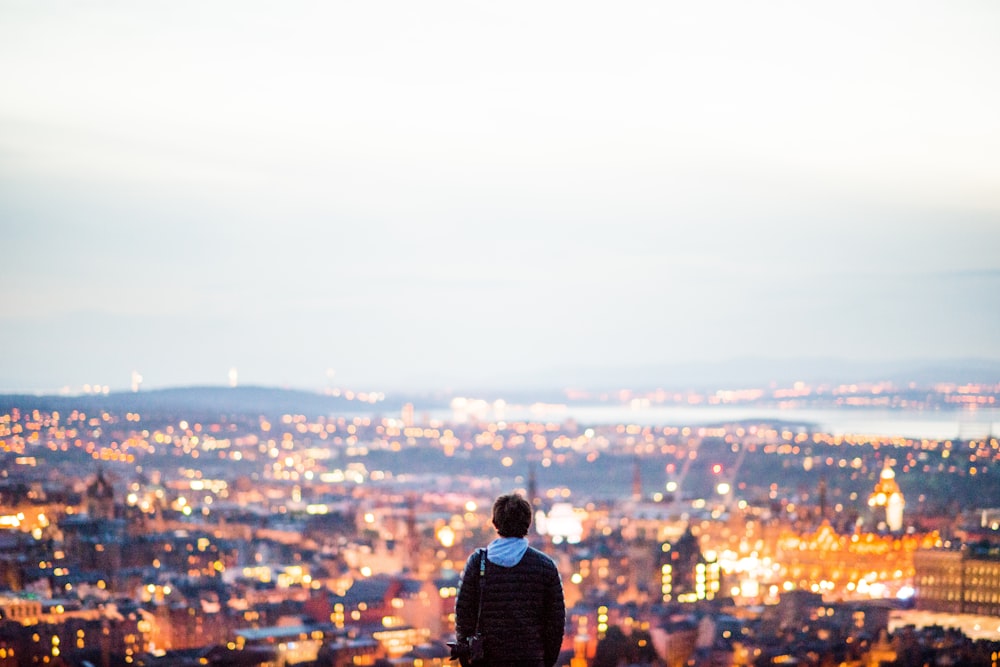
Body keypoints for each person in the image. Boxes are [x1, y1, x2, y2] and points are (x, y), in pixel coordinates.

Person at [454, 492, 566, 667]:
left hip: (487, 660)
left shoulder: (478, 563)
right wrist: (545, 661)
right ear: (527, 523)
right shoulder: (545, 566)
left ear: (495, 523)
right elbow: (555, 624)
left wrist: (468, 656)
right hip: (530, 660)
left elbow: (463, 614)